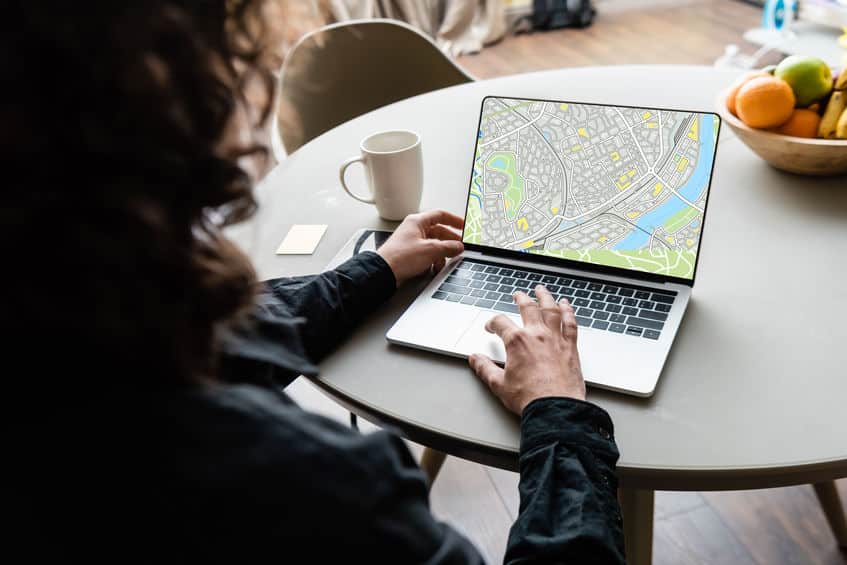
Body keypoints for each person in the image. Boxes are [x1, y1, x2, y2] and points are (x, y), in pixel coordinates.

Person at [4, 1, 625, 562]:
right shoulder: (314, 492)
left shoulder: (71, 319)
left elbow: (225, 338)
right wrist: (559, 414)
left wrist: (376, 269)